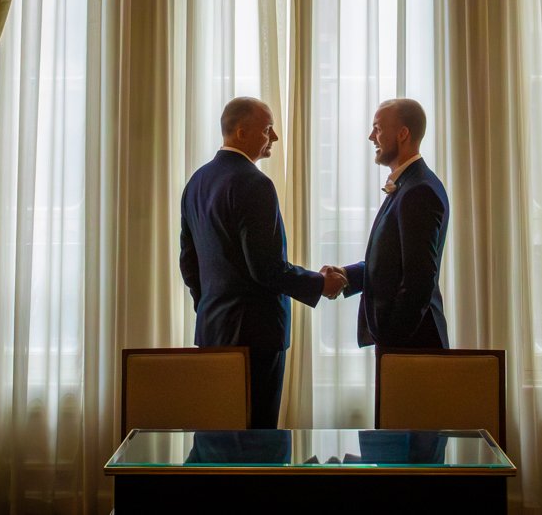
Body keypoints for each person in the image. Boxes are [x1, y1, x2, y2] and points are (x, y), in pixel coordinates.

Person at [180, 96, 346, 429]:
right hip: (256, 338)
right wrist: (320, 283)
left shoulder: (196, 182)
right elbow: (267, 268)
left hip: (213, 332)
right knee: (256, 436)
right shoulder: (254, 183)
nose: (275, 138)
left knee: (220, 433)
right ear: (241, 132)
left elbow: (189, 262)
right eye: (268, 129)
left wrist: (211, 308)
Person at [323, 98, 450, 349]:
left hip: (412, 343)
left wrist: (392, 339)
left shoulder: (419, 190)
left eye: (378, 128)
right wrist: (348, 275)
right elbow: (394, 263)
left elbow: (419, 279)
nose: (372, 136)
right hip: (407, 340)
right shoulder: (410, 185)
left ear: (403, 134)